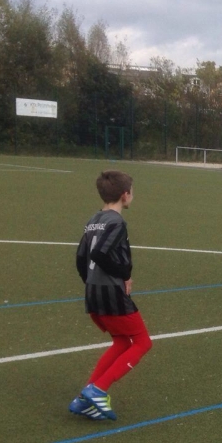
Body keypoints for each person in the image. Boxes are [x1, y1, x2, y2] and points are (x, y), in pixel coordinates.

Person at [70, 170, 153, 421]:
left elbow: (81, 258)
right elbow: (100, 254)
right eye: (132, 191)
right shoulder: (116, 222)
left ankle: (83, 399)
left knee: (121, 341)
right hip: (111, 293)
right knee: (142, 342)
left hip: (93, 293)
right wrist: (124, 275)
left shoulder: (93, 220)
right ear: (125, 195)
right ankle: (97, 389)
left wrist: (91, 284)